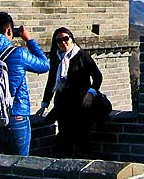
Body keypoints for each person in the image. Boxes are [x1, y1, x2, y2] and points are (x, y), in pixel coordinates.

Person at [0, 11, 51, 155]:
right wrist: (29, 40)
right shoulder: (18, 53)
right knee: (19, 163)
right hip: (16, 116)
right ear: (9, 30)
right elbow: (45, 65)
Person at [40, 27, 112, 158]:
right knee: (65, 139)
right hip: (63, 104)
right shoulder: (56, 58)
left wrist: (91, 93)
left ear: (72, 39)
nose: (63, 42)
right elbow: (51, 82)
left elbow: (97, 77)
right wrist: (44, 104)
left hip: (81, 104)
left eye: (66, 38)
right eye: (59, 40)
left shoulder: (82, 56)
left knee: (82, 139)